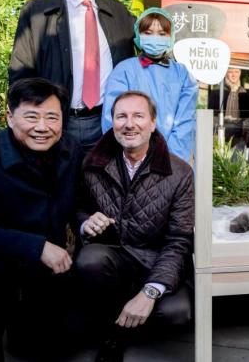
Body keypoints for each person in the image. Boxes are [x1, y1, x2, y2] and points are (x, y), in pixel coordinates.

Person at [0, 78, 83, 362]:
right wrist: (36, 246)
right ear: (10, 117)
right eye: (31, 116)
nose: (42, 127)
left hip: (44, 274)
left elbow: (78, 200)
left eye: (52, 117)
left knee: (43, 346)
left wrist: (88, 220)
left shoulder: (70, 151)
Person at [75, 91, 195, 362]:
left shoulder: (180, 173)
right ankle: (114, 337)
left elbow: (179, 240)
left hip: (155, 260)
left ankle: (125, 315)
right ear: (112, 122)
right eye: (122, 116)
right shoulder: (92, 164)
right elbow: (79, 208)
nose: (129, 124)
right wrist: (85, 223)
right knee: (89, 261)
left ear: (153, 123)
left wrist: (150, 291)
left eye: (138, 116)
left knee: (176, 313)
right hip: (113, 258)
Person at [9, 0, 136, 152]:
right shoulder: (37, 10)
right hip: (54, 122)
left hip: (105, 123)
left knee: (101, 184)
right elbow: (20, 70)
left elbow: (151, 36)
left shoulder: (119, 13)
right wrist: (31, 120)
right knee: (55, 184)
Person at [101, 7, 198, 163]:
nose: (155, 38)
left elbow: (185, 122)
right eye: (148, 33)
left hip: (171, 158)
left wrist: (171, 159)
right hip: (129, 158)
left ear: (171, 37)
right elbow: (112, 118)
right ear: (139, 35)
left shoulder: (183, 74)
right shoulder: (124, 70)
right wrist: (131, 155)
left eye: (161, 34)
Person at [209, 67, 249, 146]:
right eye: (230, 72)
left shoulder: (244, 93)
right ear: (225, 74)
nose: (234, 75)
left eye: (236, 72)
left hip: (239, 135)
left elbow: (247, 116)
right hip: (220, 132)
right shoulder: (217, 91)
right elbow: (211, 115)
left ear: (240, 73)